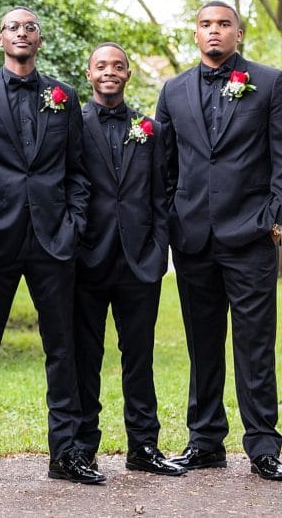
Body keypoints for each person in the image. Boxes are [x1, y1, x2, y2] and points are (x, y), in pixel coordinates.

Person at [156, 1, 282, 481]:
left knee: (255, 345)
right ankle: (205, 442)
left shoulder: (270, 83)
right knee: (202, 345)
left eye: (224, 24)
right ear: (195, 34)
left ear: (238, 33)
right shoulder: (174, 90)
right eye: (206, 24)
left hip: (251, 237)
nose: (215, 31)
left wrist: (277, 222)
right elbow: (164, 165)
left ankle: (263, 445)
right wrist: (170, 221)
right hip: (193, 238)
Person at [0, 7, 101, 485]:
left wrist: (74, 222)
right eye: (13, 27)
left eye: (30, 27)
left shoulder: (65, 96)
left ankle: (66, 453)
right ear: (0, 38)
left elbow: (78, 171)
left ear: (39, 40)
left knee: (64, 349)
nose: (22, 33)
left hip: (54, 241)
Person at [73, 43, 184, 477]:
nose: (109, 72)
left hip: (140, 262)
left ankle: (144, 446)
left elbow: (163, 192)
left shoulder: (149, 128)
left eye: (117, 66)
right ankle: (82, 447)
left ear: (128, 74)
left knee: (139, 356)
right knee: (85, 358)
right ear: (89, 73)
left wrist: (159, 249)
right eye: (101, 66)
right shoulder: (72, 124)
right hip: (87, 260)